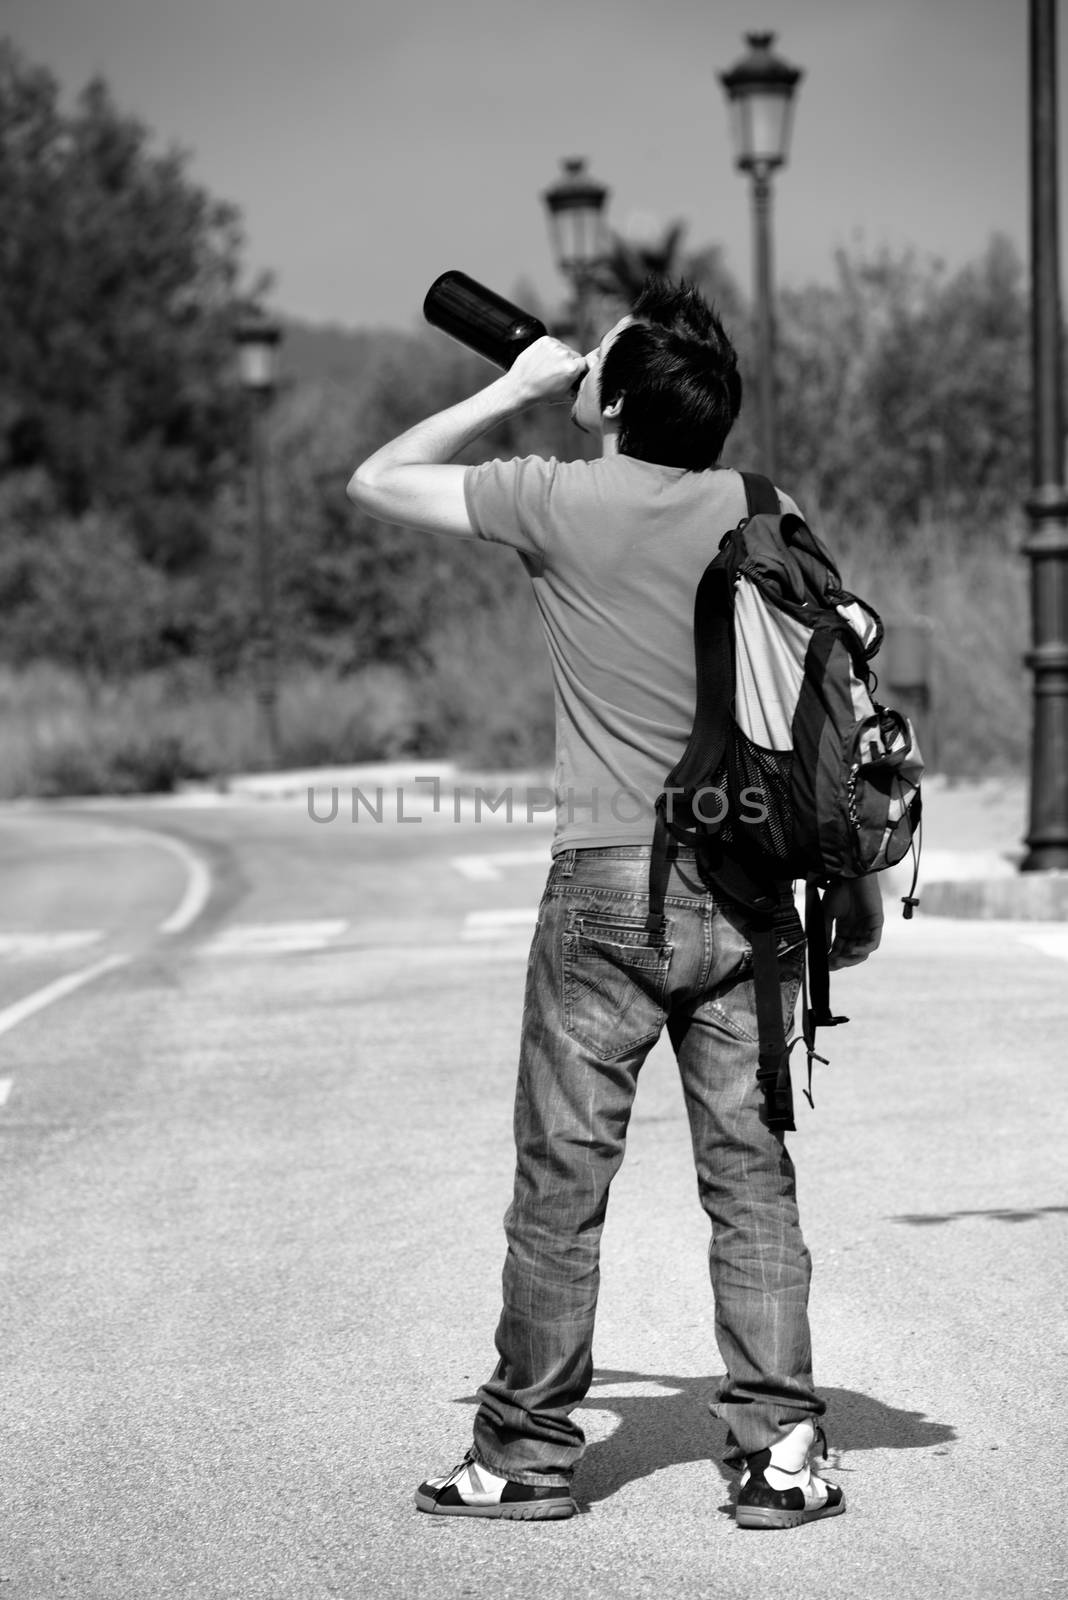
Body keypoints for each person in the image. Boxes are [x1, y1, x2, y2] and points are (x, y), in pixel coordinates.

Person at [347, 277, 883, 1528]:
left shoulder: (559, 496)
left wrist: (525, 386)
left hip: (607, 886)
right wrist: (845, 890)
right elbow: (830, 712)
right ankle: (782, 1454)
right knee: (751, 1179)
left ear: (618, 398)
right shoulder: (766, 507)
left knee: (562, 1187)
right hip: (753, 892)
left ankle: (523, 1458)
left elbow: (379, 477)